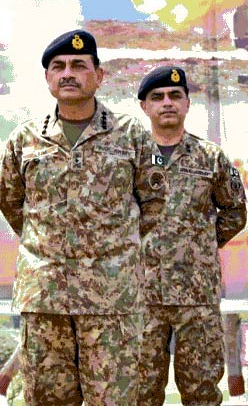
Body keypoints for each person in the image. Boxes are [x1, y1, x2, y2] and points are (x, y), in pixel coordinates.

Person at [0, 29, 164, 404]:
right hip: (45, 298)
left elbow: (153, 201)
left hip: (112, 301)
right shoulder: (24, 140)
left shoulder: (132, 136)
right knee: (48, 399)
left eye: (78, 65)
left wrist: (111, 252)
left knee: (114, 399)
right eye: (58, 67)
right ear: (47, 79)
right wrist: (48, 248)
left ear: (99, 75)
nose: (68, 74)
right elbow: (11, 202)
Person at [136, 65, 247, 405]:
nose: (166, 103)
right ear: (144, 106)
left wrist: (199, 244)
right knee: (139, 392)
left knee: (201, 392)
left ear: (187, 103)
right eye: (157, 97)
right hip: (138, 296)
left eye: (175, 96)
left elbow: (235, 211)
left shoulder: (210, 158)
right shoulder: (128, 158)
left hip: (196, 297)